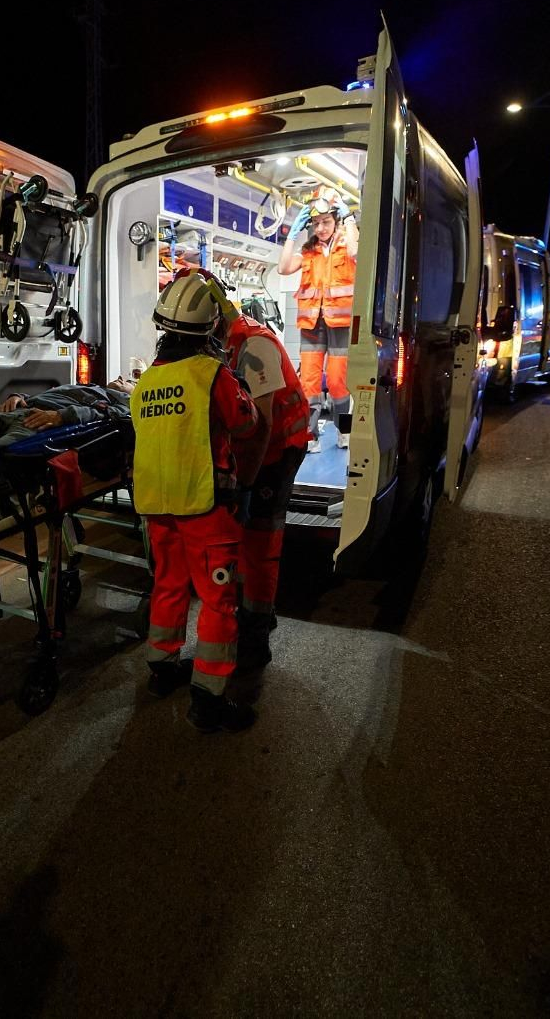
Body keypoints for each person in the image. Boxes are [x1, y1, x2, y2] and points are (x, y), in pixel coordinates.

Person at [131, 271, 267, 732]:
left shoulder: (146, 383)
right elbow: (246, 423)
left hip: (156, 508)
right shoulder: (213, 375)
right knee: (217, 600)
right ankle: (208, 697)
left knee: (168, 586)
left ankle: (161, 667)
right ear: (211, 329)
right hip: (205, 509)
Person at [208, 274, 312, 669]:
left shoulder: (254, 344)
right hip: (256, 449)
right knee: (246, 538)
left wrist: (246, 483)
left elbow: (263, 425)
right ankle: (258, 614)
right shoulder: (223, 342)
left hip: (280, 448)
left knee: (260, 543)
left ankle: (255, 637)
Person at [278, 187, 358, 453]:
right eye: (315, 223)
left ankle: (344, 430)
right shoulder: (309, 251)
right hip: (312, 323)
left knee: (337, 382)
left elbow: (358, 252)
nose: (321, 228)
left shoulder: (348, 243)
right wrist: (292, 232)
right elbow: (283, 267)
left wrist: (350, 220)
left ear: (335, 219)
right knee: (309, 381)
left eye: (326, 221)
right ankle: (310, 434)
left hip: (340, 324)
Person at [0, 379, 134, 448]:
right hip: (23, 409)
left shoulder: (122, 403)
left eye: (126, 381)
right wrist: (18, 396)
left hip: (40, 422)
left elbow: (100, 415)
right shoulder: (86, 386)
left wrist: (61, 416)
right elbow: (50, 395)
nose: (120, 378)